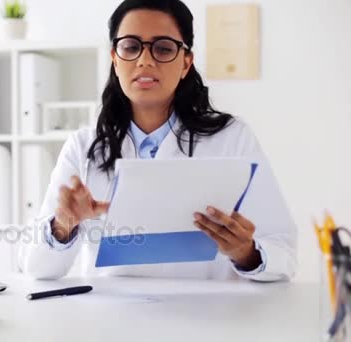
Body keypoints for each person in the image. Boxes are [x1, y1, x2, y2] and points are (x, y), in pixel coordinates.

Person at [21, 0, 297, 282]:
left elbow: (284, 254)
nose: (145, 60)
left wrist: (246, 252)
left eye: (163, 48)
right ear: (115, 59)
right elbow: (38, 269)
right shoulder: (83, 147)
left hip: (208, 318)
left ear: (186, 62)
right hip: (111, 321)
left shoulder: (232, 138)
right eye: (131, 47)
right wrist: (65, 223)